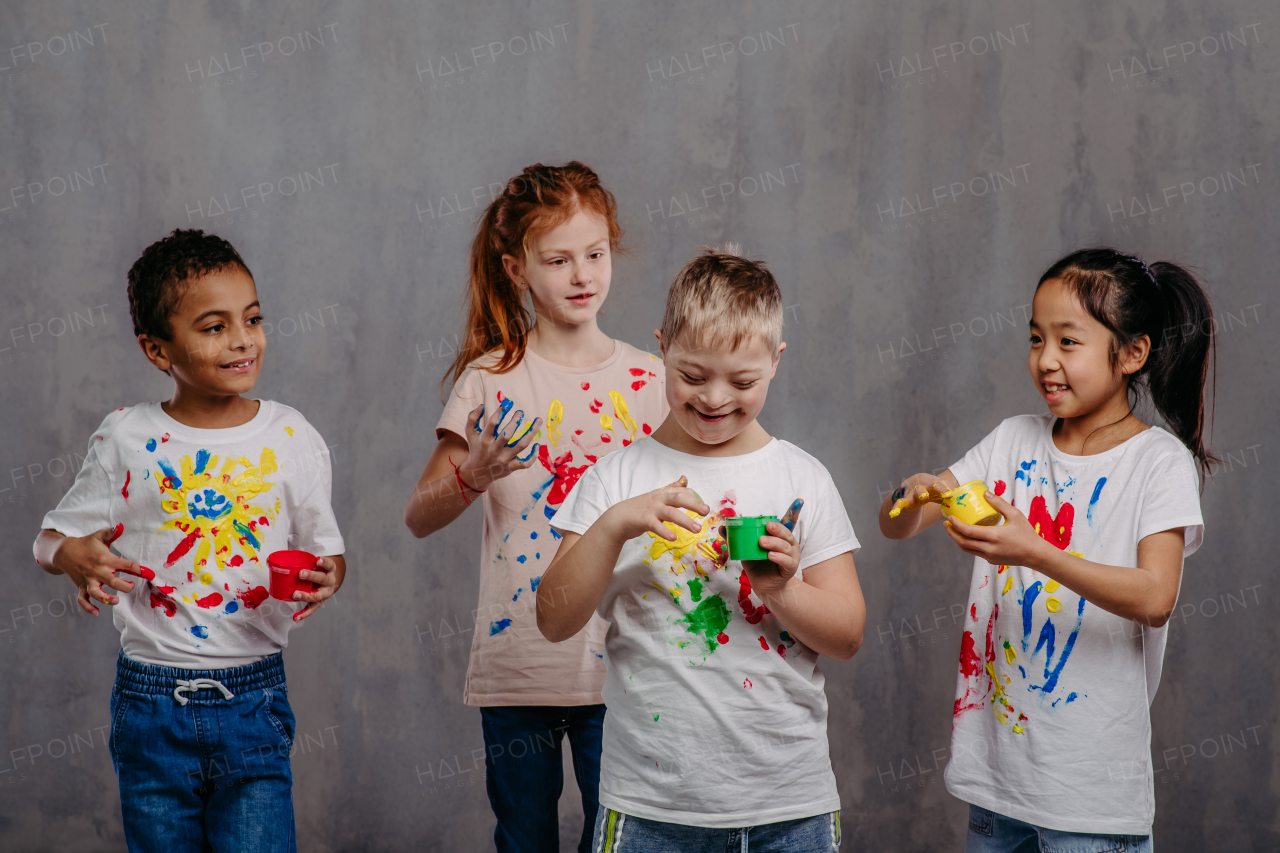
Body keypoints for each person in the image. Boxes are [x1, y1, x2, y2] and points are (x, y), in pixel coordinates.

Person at [881, 248, 1213, 851]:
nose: (1046, 361)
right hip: (997, 787)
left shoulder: (1158, 461)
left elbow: (1156, 597)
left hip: (1091, 798)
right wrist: (915, 491)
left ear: (1132, 353)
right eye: (1036, 339)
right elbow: (899, 525)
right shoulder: (1013, 439)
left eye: (1069, 342)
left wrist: (1035, 553)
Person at [539, 246, 865, 851]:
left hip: (788, 805)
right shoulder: (614, 480)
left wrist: (782, 590)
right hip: (649, 807)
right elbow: (553, 619)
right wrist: (614, 526)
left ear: (776, 361)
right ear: (662, 346)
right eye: (691, 376)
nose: (715, 399)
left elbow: (847, 636)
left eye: (742, 381)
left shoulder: (803, 478)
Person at [32, 228, 346, 852]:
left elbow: (325, 549)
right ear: (157, 349)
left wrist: (329, 575)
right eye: (213, 326)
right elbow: (49, 540)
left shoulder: (291, 435)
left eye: (252, 319)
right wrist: (72, 556)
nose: (241, 339)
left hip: (254, 700)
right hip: (150, 705)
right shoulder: (125, 438)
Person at [403, 162, 667, 852]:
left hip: (628, 662)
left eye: (595, 253)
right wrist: (475, 473)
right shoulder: (490, 379)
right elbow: (419, 515)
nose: (583, 274)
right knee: (524, 840)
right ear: (517, 269)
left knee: (622, 842)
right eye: (558, 260)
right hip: (517, 663)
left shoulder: (654, 379)